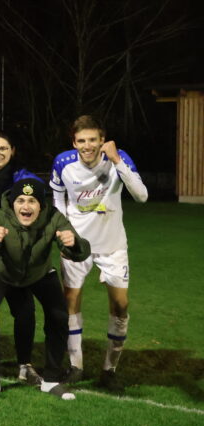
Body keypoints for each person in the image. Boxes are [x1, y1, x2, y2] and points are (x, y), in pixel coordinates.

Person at [0, 178, 90, 401]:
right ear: (12, 203)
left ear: (41, 205)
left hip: (38, 273)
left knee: (59, 315)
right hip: (0, 273)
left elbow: (81, 251)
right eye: (21, 200)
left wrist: (73, 244)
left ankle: (51, 380)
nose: (26, 207)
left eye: (32, 201)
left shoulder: (53, 217)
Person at [50, 115, 148, 389]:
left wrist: (117, 161)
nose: (87, 145)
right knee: (70, 302)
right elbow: (57, 197)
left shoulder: (118, 158)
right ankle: (76, 366)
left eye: (93, 139)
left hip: (112, 246)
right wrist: (62, 228)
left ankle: (110, 369)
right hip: (77, 245)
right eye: (81, 140)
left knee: (120, 306)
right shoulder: (63, 163)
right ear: (74, 142)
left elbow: (141, 196)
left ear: (102, 140)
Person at [0, 129, 39, 384]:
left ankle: (25, 364)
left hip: (15, 257)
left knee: (25, 311)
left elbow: (39, 206)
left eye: (2, 148)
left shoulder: (23, 177)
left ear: (12, 150)